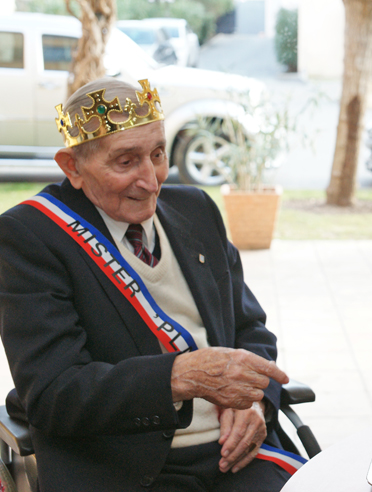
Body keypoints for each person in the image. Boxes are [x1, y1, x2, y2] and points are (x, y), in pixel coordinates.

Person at [0, 78, 293, 492]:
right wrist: (180, 375)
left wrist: (256, 400)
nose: (152, 181)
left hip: (238, 454)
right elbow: (54, 395)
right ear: (72, 167)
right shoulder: (31, 237)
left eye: (157, 154)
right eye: (125, 162)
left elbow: (250, 329)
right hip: (129, 469)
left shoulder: (196, 208)